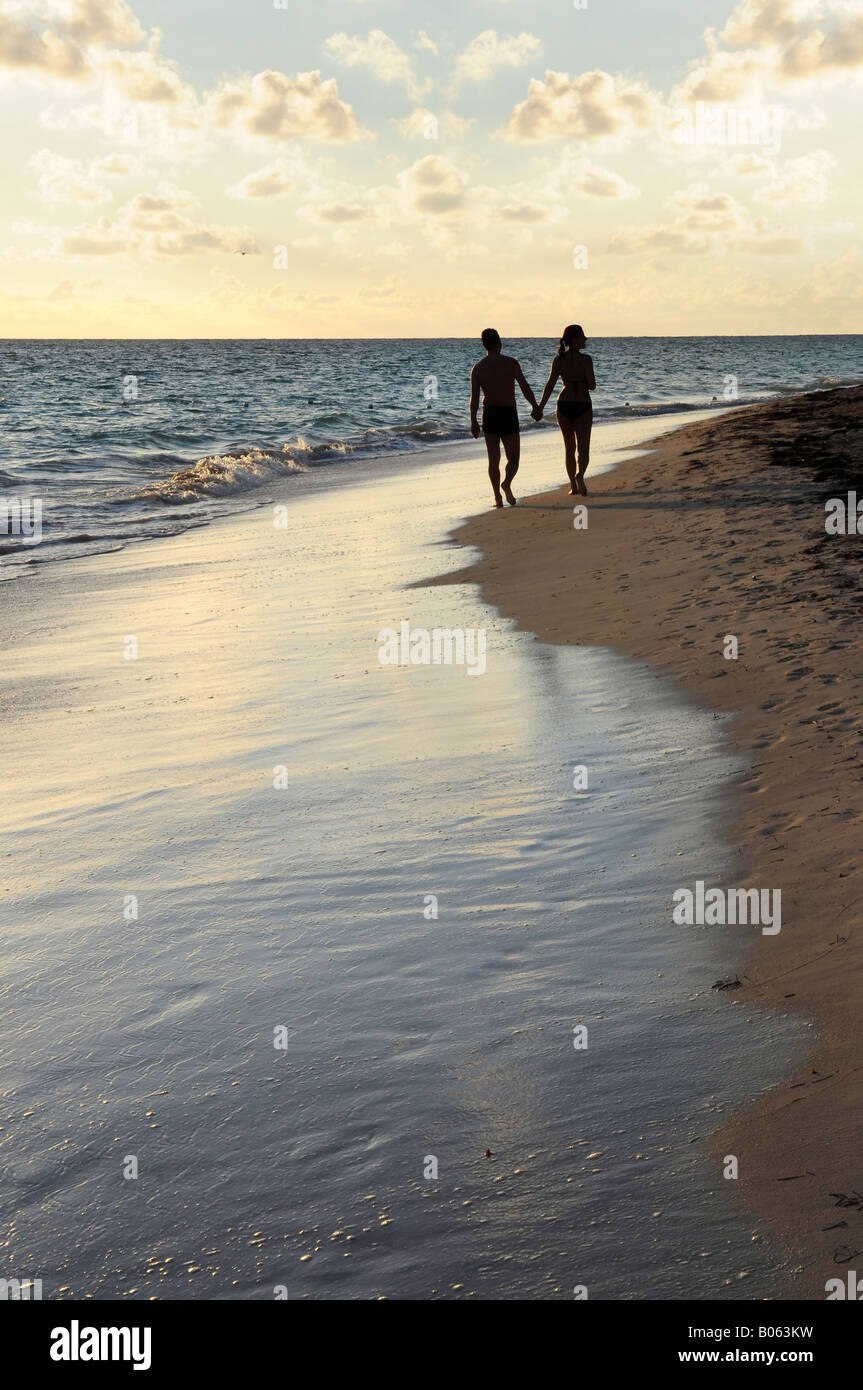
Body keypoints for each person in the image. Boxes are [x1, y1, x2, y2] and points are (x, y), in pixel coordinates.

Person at [470, 328, 541, 508]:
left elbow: (475, 399)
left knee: (494, 459)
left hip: (490, 413)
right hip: (507, 413)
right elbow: (525, 387)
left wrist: (473, 420)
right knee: (513, 458)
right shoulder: (510, 363)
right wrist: (535, 406)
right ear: (499, 342)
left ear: (484, 345)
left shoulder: (478, 368)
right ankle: (505, 485)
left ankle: (498, 495)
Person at [536, 324, 596, 495]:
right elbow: (592, 386)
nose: (586, 339)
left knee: (569, 448)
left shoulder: (559, 359)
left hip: (563, 404)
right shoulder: (586, 360)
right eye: (583, 336)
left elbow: (550, 385)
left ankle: (573, 485)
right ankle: (580, 475)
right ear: (575, 339)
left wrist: (540, 407)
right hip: (582, 404)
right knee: (583, 448)